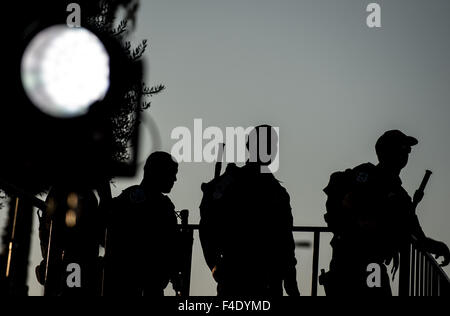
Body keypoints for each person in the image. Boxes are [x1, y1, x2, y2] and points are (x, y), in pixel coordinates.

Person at [323, 130, 450, 296]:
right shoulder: (365, 175)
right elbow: (337, 192)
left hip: (372, 264)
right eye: (401, 148)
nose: (405, 154)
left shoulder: (401, 196)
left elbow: (415, 233)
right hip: (348, 259)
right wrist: (356, 220)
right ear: (385, 151)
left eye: (407, 150)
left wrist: (437, 247)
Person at [200, 125, 300, 297]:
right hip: (237, 271)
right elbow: (208, 225)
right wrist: (215, 266)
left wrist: (290, 280)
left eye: (272, 146)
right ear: (250, 147)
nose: (270, 150)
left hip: (267, 275)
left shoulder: (276, 191)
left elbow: (285, 240)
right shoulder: (230, 183)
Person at [108, 152, 180, 296]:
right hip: (138, 285)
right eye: (171, 173)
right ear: (158, 173)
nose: (175, 179)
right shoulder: (160, 206)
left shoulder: (129, 198)